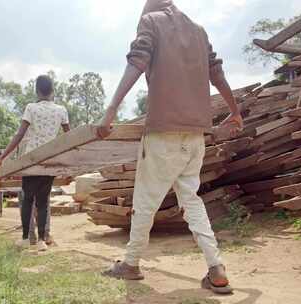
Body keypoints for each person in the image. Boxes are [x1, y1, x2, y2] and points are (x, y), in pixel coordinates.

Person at [97, 0, 244, 295]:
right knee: (192, 200)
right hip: (194, 135)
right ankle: (216, 268)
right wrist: (235, 109)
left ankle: (131, 263)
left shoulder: (151, 22)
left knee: (145, 203)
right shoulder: (199, 31)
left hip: (162, 132)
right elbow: (216, 72)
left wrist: (110, 110)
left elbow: (137, 62)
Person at [0, 75, 70, 252]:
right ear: (52, 91)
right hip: (49, 161)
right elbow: (68, 138)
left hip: (31, 160)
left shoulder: (31, 108)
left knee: (28, 198)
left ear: (36, 90)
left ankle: (26, 238)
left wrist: (2, 157)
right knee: (43, 200)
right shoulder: (61, 110)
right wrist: (67, 164)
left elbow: (19, 135)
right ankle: (42, 240)